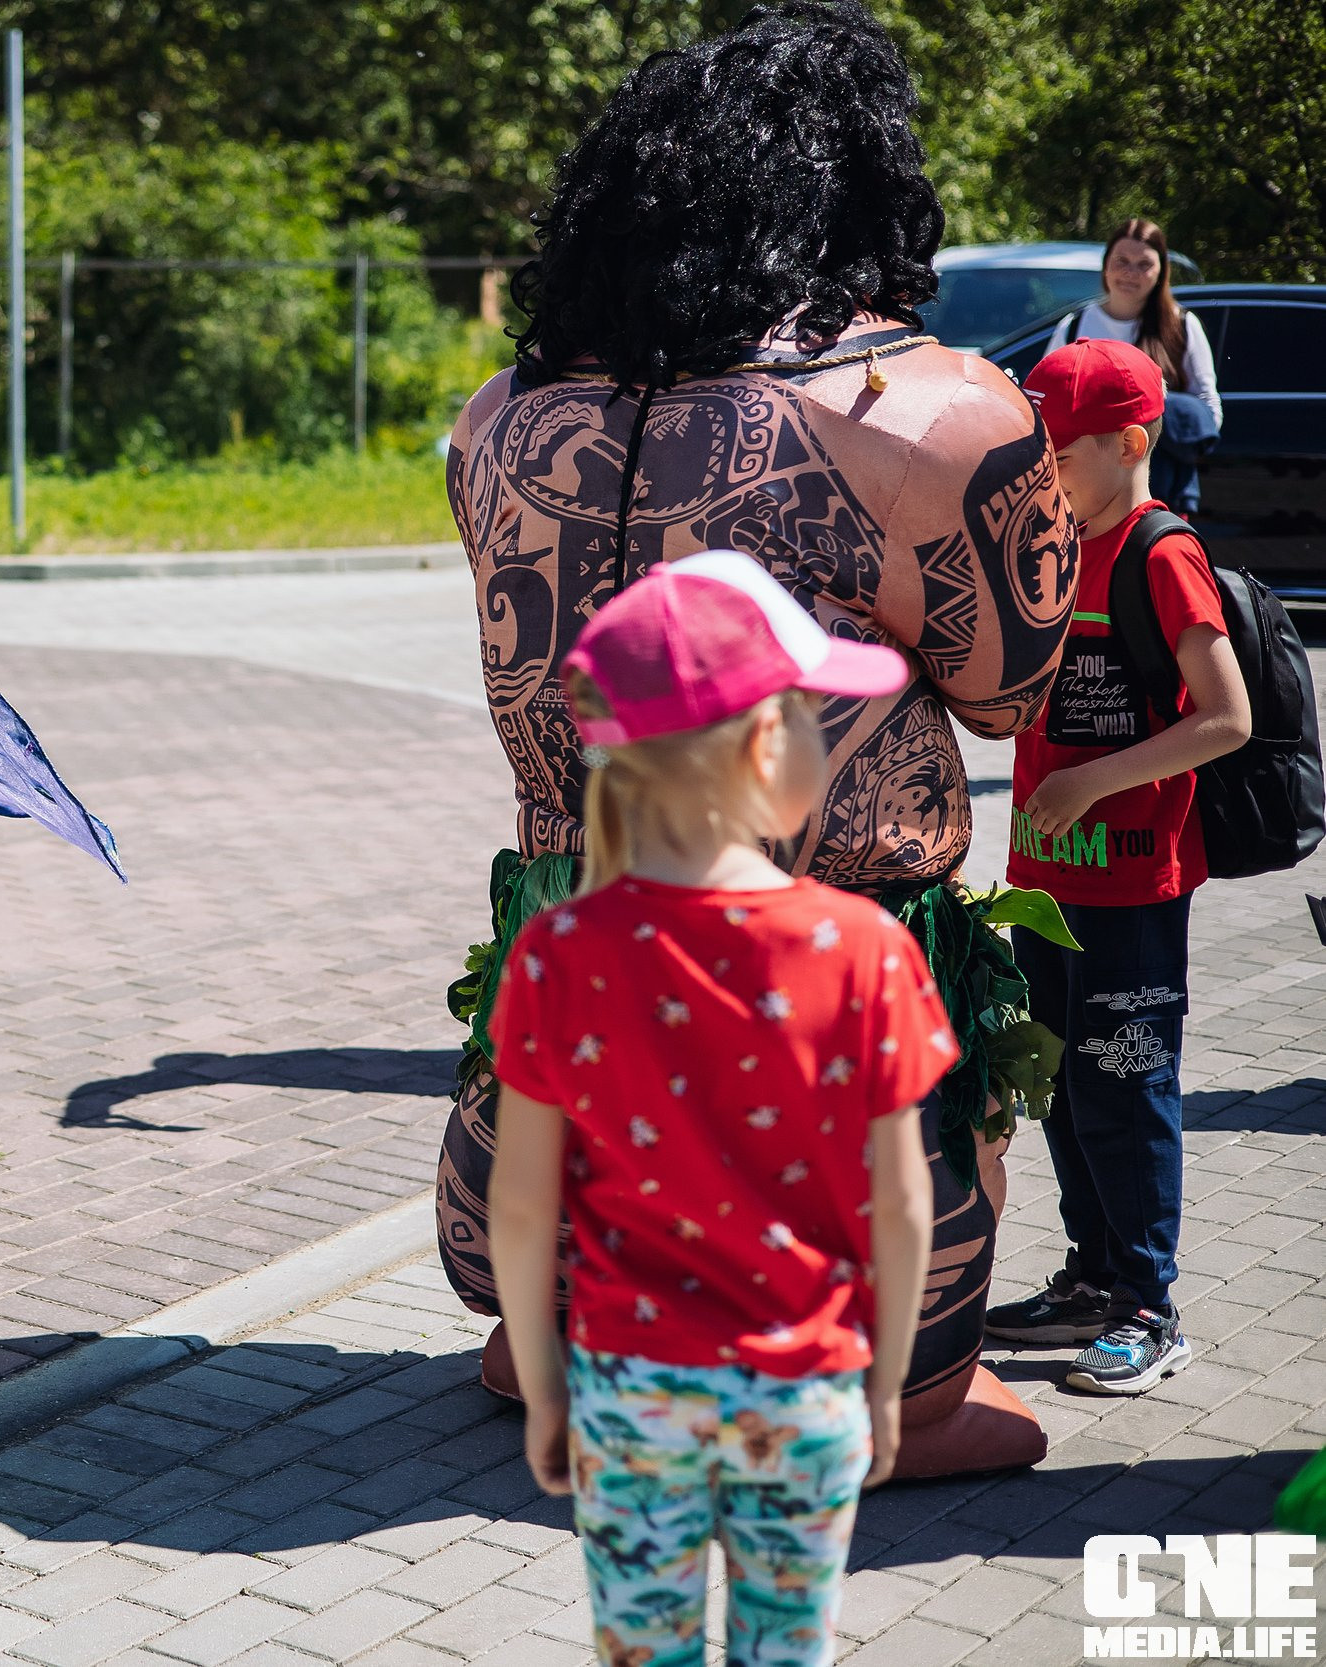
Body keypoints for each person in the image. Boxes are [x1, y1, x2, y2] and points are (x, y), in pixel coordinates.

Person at [438, 0, 1075, 1477]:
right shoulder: (937, 411)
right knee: (970, 1420)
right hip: (822, 981)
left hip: (573, 968)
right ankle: (876, 1404)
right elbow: (1006, 695)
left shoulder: (500, 417)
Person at [490, 554, 943, 1667]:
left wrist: (546, 1388)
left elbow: (518, 1204)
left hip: (630, 1390)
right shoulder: (865, 948)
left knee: (643, 1651)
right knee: (786, 1650)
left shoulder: (559, 952)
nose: (824, 735)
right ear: (758, 743)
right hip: (807, 1386)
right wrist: (885, 1381)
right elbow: (901, 1203)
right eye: (810, 712)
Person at [982, 339, 1252, 1394]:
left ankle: (1148, 1304)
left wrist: (1093, 784)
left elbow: (1224, 717)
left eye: (1055, 449)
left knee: (1126, 1087)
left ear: (1128, 440)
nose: (1039, 468)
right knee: (1059, 1084)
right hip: (1042, 883)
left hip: (1131, 884)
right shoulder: (1048, 547)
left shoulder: (1157, 551)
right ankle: (1092, 1279)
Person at [1048, 218, 1221, 510]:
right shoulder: (1075, 326)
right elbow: (1051, 400)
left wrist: (1159, 422)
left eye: (1144, 264)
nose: (1131, 273)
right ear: (1106, 266)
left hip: (1161, 489)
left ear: (1160, 272)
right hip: (1086, 495)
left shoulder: (1182, 326)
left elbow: (1208, 408)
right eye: (1122, 261)